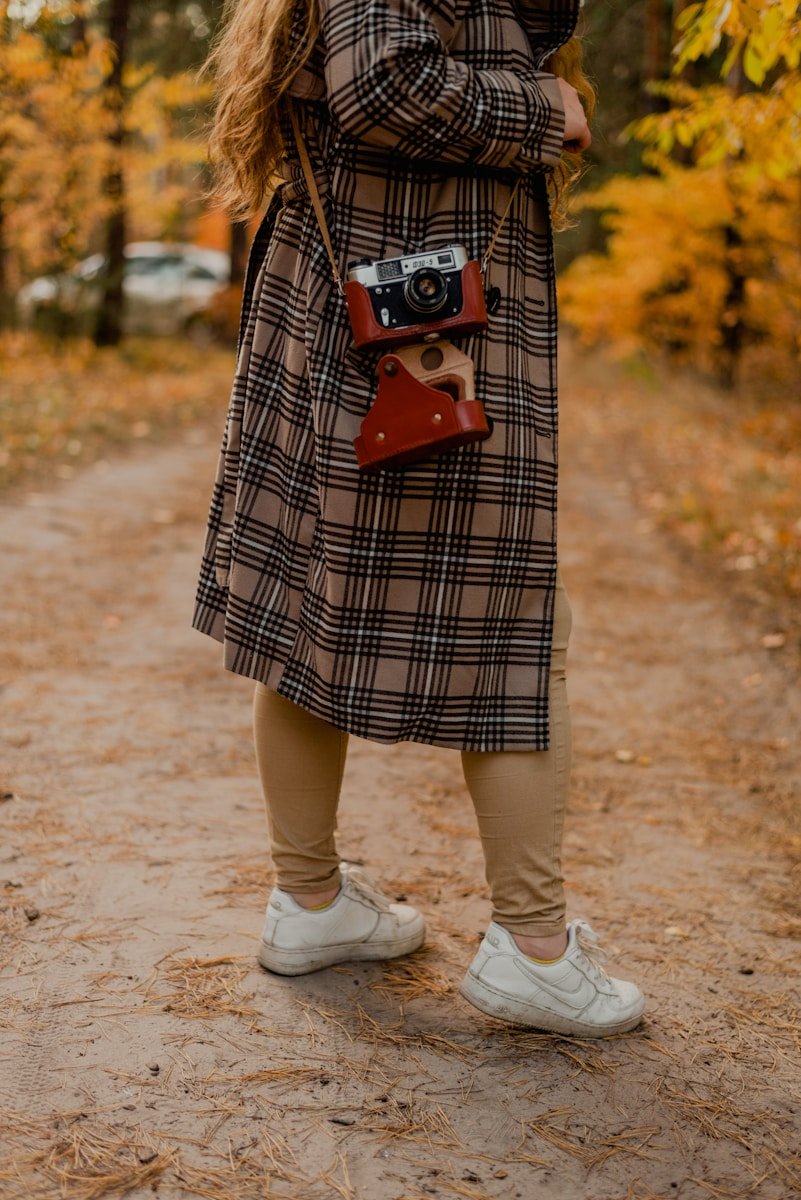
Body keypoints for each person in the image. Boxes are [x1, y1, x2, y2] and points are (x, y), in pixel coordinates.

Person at [193, 0, 646, 1038]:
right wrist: (546, 108)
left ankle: (311, 902)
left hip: (366, 306)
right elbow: (383, 82)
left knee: (313, 602)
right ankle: (534, 947)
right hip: (418, 322)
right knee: (519, 625)